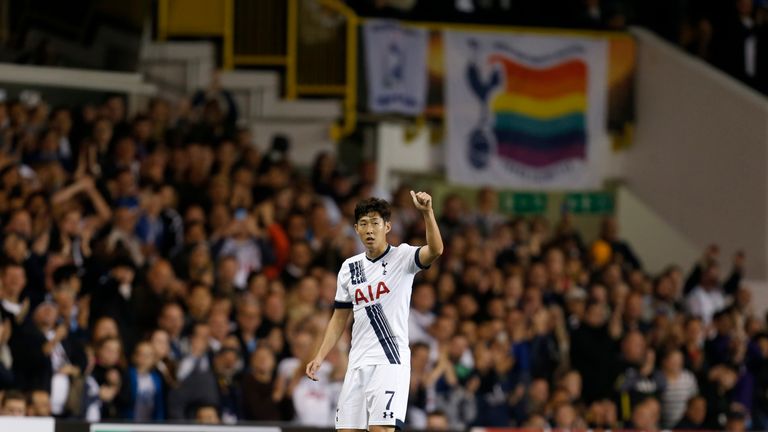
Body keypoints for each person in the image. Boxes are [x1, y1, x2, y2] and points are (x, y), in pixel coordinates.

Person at [305, 192, 444, 431]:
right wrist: (320, 355)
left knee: (380, 429)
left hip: (390, 361)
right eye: (363, 223)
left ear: (387, 226)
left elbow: (436, 250)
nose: (369, 229)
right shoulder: (349, 267)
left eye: (375, 223)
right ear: (356, 229)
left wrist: (427, 213)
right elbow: (339, 318)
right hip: (357, 362)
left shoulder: (403, 257)